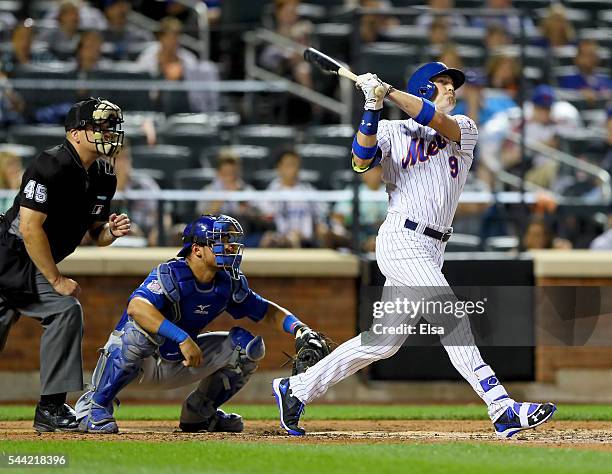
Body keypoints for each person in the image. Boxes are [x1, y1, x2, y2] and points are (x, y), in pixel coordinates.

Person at [272, 62, 556, 437]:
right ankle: (501, 406)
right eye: (441, 84)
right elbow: (360, 162)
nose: (451, 89)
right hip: (402, 240)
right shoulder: (391, 131)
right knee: (451, 315)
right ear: (423, 88)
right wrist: (372, 108)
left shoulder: (465, 128)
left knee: (382, 343)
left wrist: (385, 91)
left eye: (452, 84)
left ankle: (298, 388)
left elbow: (433, 120)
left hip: (434, 245)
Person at [74, 213, 325, 433]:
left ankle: (199, 413)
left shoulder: (228, 281)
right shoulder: (171, 273)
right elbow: (137, 308)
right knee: (136, 332)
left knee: (245, 348)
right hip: (144, 364)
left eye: (229, 241)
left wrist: (300, 329)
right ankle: (95, 405)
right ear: (197, 249)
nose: (229, 247)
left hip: (183, 361)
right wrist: (181, 337)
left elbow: (266, 310)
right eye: (221, 242)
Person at [0, 97, 131, 432]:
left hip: (30, 260)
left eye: (109, 126)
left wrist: (109, 232)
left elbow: (94, 233)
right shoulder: (50, 163)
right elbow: (29, 228)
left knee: (64, 310)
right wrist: (56, 279)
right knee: (62, 306)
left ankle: (51, 407)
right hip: (8, 255)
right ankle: (51, 408)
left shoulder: (104, 174)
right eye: (98, 126)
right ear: (74, 133)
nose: (107, 132)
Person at [557, 39, 610, 104]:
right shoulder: (568, 79)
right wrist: (579, 94)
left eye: (592, 55)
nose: (589, 60)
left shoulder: (605, 79)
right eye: (585, 55)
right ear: (577, 58)